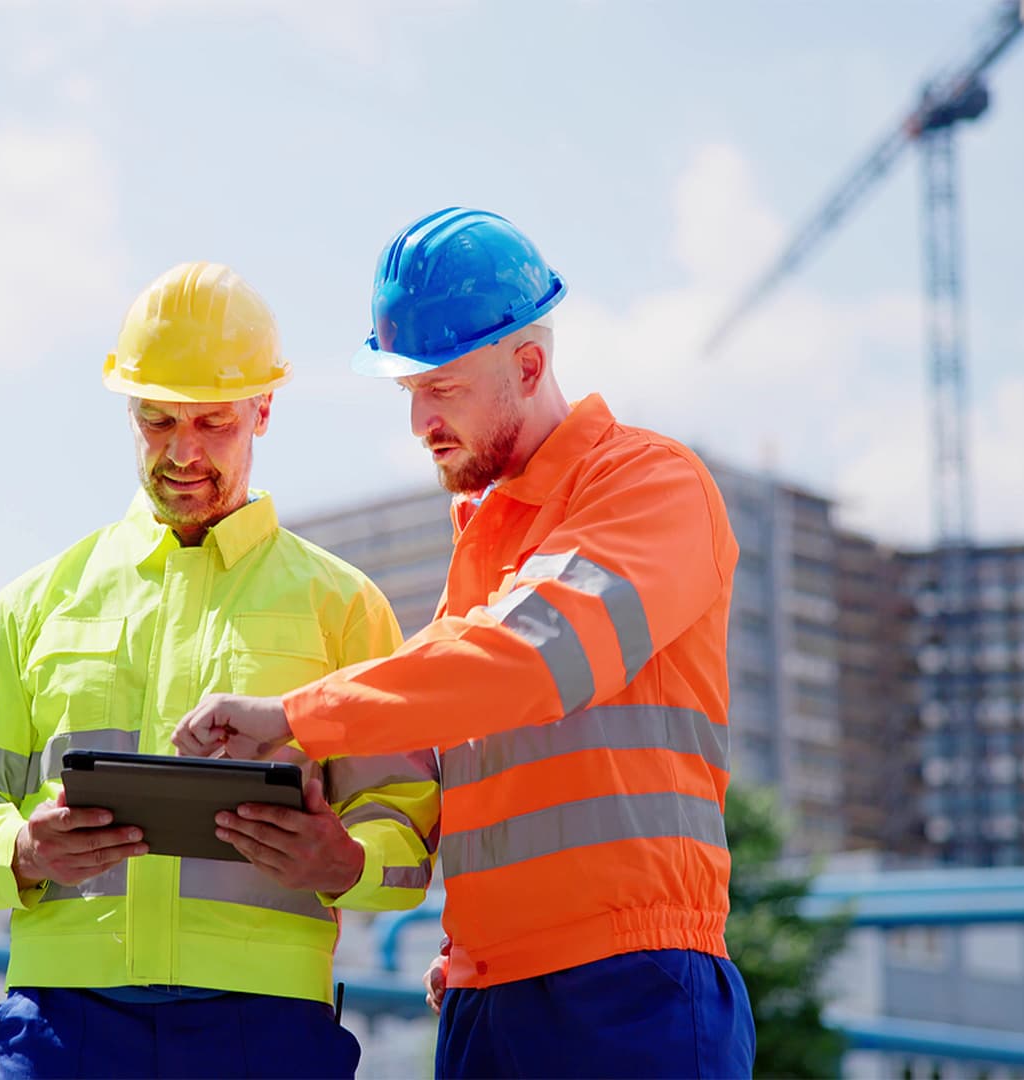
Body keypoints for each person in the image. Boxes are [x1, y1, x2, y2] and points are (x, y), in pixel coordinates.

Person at [173, 209, 757, 1078]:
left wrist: (294, 714)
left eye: (440, 387)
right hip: (492, 993)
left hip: (632, 988)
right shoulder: (484, 545)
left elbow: (533, 657)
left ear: (529, 366)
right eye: (407, 391)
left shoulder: (650, 485)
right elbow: (488, 775)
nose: (418, 422)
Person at [0, 261, 439, 1079]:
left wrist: (345, 862)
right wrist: (20, 848)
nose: (182, 453)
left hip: (263, 1028)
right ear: (129, 410)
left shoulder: (346, 609)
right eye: (157, 421)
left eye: (213, 424)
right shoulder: (32, 607)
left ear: (264, 410)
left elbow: (408, 822)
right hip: (65, 1023)